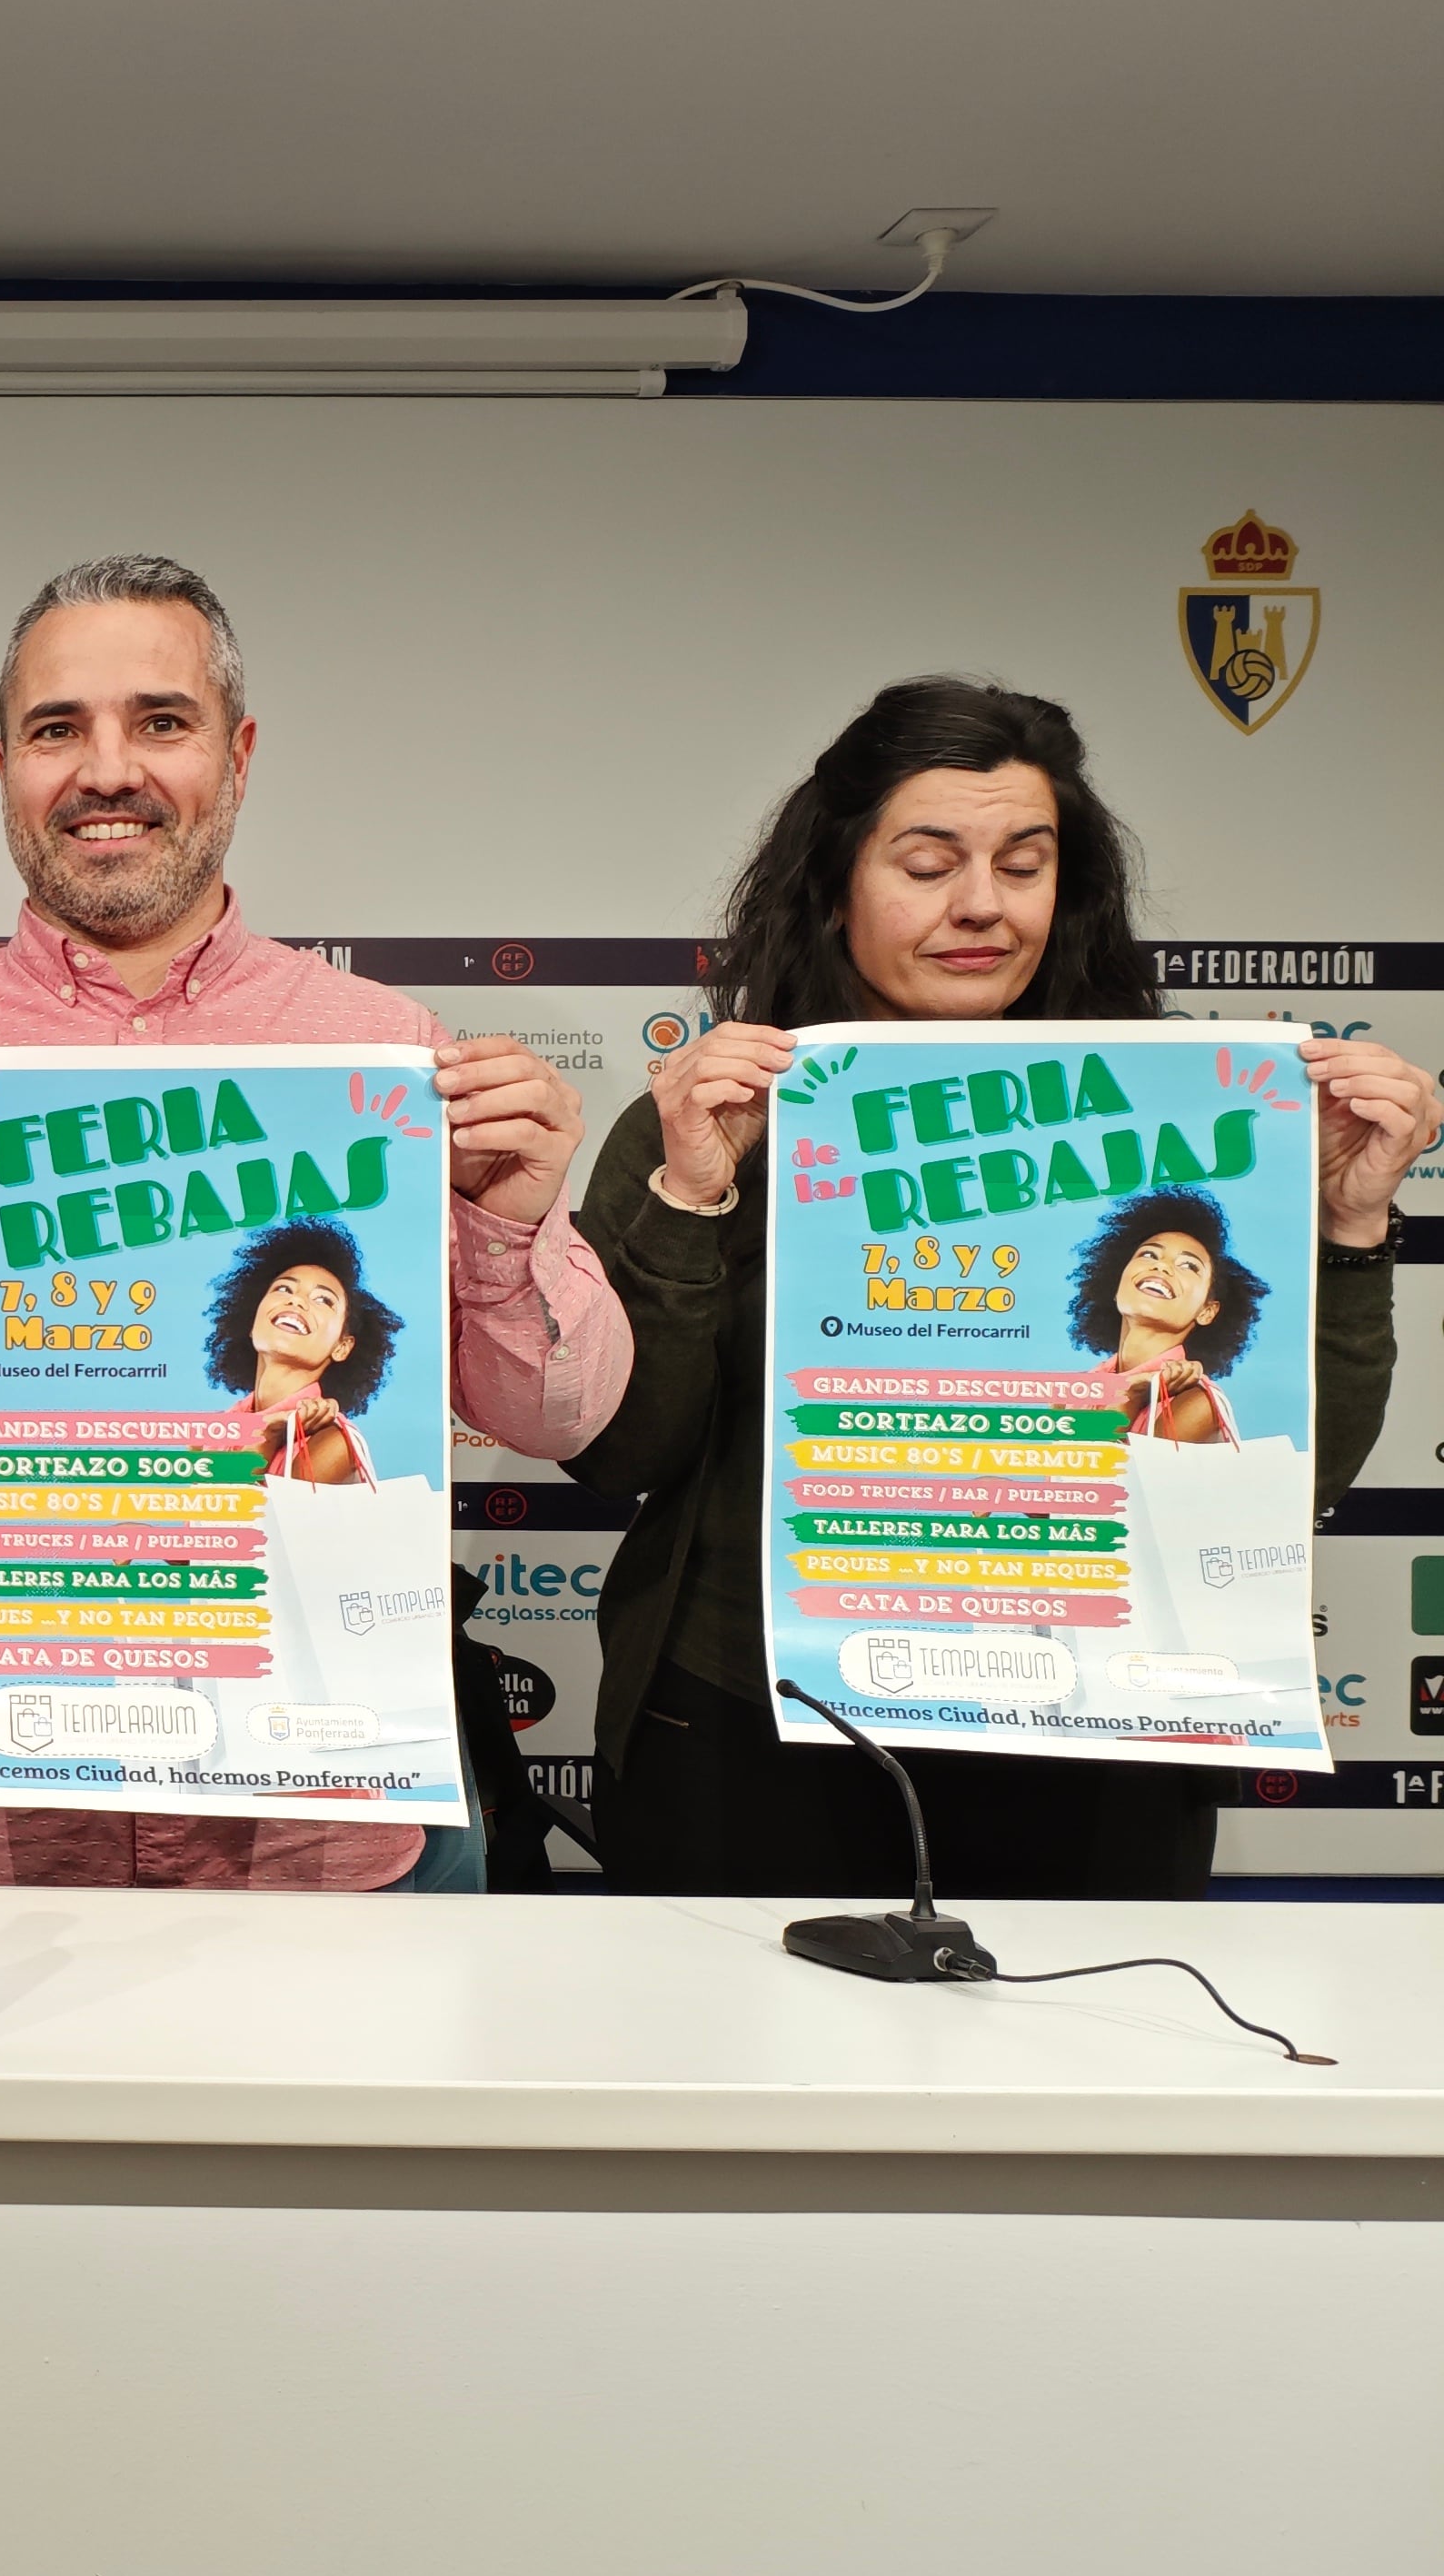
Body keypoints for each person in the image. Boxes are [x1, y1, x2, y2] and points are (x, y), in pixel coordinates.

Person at [0, 552, 629, 1893]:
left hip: (321, 1823)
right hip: (1, 1818)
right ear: (4, 767)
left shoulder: (388, 1060)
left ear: (238, 756)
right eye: (56, 730)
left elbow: (566, 1417)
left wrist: (508, 1229)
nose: (107, 770)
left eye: (160, 721)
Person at [572, 677, 1435, 1898]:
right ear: (834, 886)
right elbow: (619, 1454)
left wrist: (1348, 1229)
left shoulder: (1193, 1132)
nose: (980, 905)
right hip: (753, 1729)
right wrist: (693, 1193)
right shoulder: (708, 1124)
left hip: (1097, 1735)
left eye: (1023, 865)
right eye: (928, 864)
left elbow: (1291, 1482)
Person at [207, 1219, 396, 1485]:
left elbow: (248, 1520)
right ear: (251, 1323)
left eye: (323, 1300)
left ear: (342, 1347)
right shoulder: (210, 1436)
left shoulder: (335, 1443)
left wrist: (268, 1437)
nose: (296, 1300)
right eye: (283, 1288)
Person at [1068, 1187, 1256, 1443]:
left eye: (1188, 1265)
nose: (1162, 1266)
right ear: (1115, 1283)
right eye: (1148, 1254)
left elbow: (1111, 1478)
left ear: (1206, 1311)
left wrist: (1131, 1398)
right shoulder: (1073, 1395)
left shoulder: (1198, 1403)